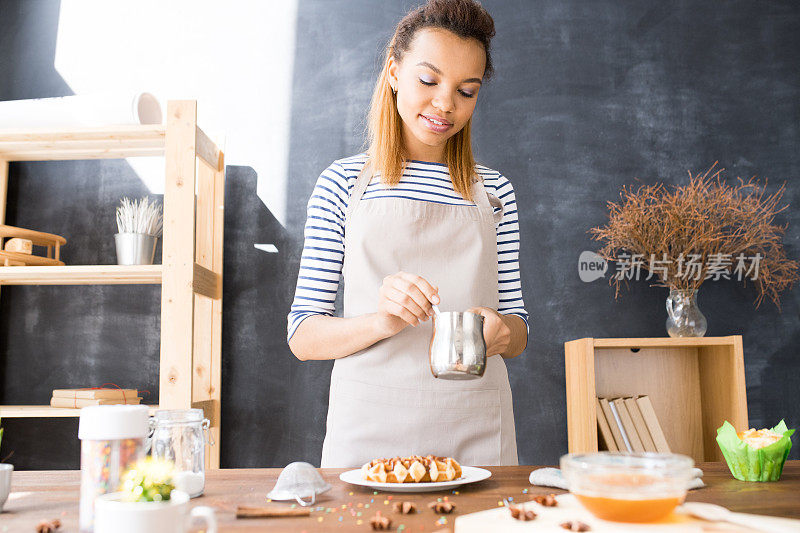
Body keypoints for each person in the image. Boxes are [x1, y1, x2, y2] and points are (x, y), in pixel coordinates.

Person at [287, 0, 528, 468]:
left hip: (477, 427)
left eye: (467, 90)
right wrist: (382, 320)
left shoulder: (495, 191)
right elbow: (303, 335)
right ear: (395, 71)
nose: (445, 104)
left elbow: (518, 329)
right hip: (368, 432)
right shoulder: (341, 184)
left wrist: (500, 334)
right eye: (428, 80)